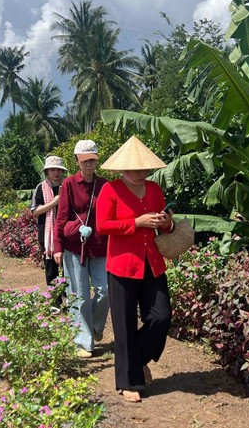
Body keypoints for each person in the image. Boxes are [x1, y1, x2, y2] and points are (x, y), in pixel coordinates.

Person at [96, 136, 174, 403]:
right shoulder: (111, 190)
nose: (142, 174)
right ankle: (128, 381)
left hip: (152, 262)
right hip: (122, 264)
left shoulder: (153, 190)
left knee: (161, 316)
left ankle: (137, 359)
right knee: (124, 325)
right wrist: (136, 222)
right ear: (123, 169)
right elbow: (103, 226)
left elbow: (163, 226)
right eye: (136, 169)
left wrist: (165, 222)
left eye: (145, 169)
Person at [53, 140, 109, 359]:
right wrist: (58, 247)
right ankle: (84, 341)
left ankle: (95, 326)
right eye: (84, 161)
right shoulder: (68, 184)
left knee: (106, 291)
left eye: (92, 160)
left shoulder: (104, 184)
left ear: (97, 160)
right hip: (75, 247)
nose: (89, 165)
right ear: (76, 160)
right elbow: (62, 217)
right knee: (80, 296)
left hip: (100, 245)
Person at [31, 155, 68, 307]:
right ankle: (55, 302)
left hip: (65, 232)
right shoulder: (41, 188)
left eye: (58, 170)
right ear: (47, 172)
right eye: (52, 170)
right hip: (46, 235)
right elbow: (35, 211)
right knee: (51, 269)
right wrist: (54, 202)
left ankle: (69, 299)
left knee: (68, 269)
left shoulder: (67, 185)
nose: (56, 173)